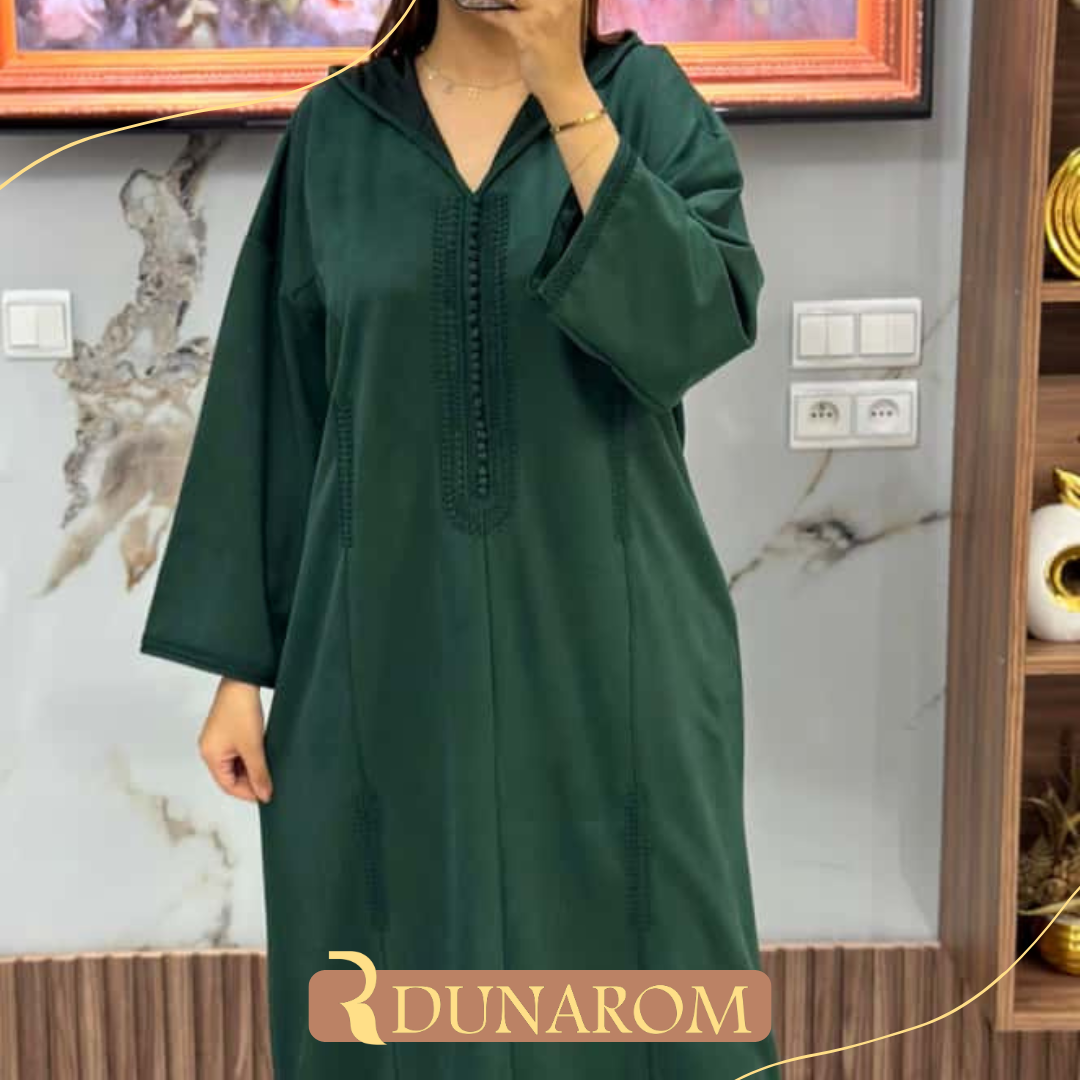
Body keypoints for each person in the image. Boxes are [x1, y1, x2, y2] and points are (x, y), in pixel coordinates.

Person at [139, 0, 778, 1076]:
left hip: (615, 644)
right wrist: (239, 671)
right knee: (388, 975)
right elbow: (276, 396)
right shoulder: (339, 130)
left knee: (648, 968)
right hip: (382, 648)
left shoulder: (644, 102)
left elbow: (693, 327)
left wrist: (564, 88)